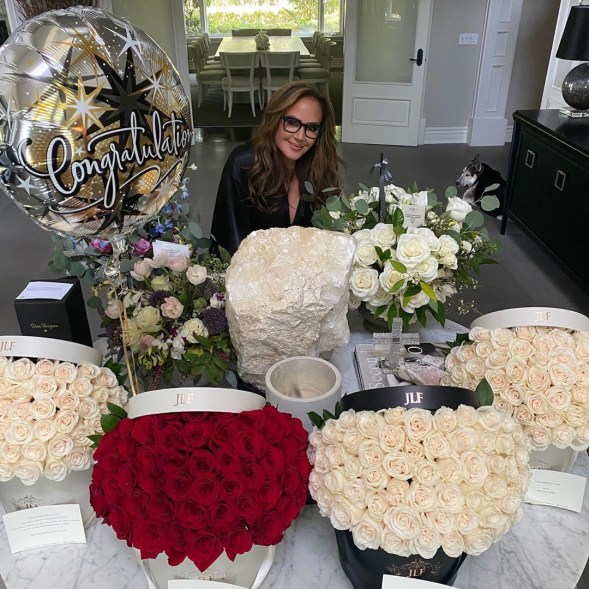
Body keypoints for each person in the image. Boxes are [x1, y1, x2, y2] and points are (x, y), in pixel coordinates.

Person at [210, 81, 344, 255]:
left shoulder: (319, 167)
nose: (300, 136)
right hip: (249, 275)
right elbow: (229, 243)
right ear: (275, 119)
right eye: (292, 122)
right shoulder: (244, 163)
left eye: (311, 128)